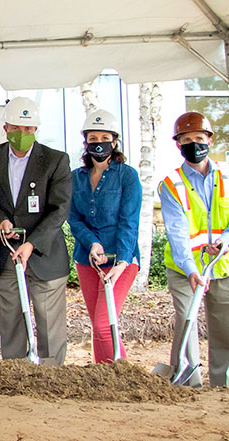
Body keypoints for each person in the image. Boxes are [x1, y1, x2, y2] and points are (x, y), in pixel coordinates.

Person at [0, 96, 72, 365]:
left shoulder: (55, 160)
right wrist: (0, 221)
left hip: (45, 256)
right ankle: (14, 375)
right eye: (17, 128)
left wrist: (32, 244)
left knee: (49, 323)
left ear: (36, 129)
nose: (22, 134)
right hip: (7, 255)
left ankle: (51, 377)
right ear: (6, 128)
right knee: (11, 320)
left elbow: (59, 209)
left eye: (28, 129)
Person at [159, 111, 229, 387]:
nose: (194, 143)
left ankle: (221, 384)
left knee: (227, 330)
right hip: (184, 269)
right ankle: (190, 383)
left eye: (199, 138)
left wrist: (227, 238)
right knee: (187, 323)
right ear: (178, 144)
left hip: (225, 266)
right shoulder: (171, 185)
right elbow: (177, 232)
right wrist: (190, 269)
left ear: (209, 140)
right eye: (186, 139)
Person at [67, 109, 141, 363]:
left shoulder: (127, 176)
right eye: (93, 138)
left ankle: (123, 376)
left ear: (115, 141)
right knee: (98, 325)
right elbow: (74, 218)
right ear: (86, 142)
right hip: (88, 260)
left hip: (121, 260)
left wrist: (121, 262)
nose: (99, 143)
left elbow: (129, 221)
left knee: (104, 323)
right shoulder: (76, 177)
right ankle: (103, 376)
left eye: (104, 137)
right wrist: (92, 243)